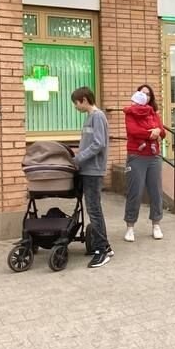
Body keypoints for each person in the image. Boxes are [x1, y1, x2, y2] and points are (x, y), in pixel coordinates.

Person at [71, 87, 112, 268]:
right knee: (94, 209)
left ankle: (101, 251)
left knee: (94, 210)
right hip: (87, 169)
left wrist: (78, 158)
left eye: (76, 103)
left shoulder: (97, 116)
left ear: (84, 99)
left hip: (94, 170)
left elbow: (98, 144)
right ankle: (105, 246)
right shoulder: (89, 117)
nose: (75, 106)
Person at [123, 85, 166, 242]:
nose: (145, 96)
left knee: (156, 192)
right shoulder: (130, 112)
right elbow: (133, 131)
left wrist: (158, 131)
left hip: (153, 156)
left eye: (148, 94)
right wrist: (151, 133)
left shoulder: (153, 113)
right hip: (136, 155)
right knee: (135, 192)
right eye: (142, 93)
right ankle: (130, 226)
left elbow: (162, 131)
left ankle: (156, 224)